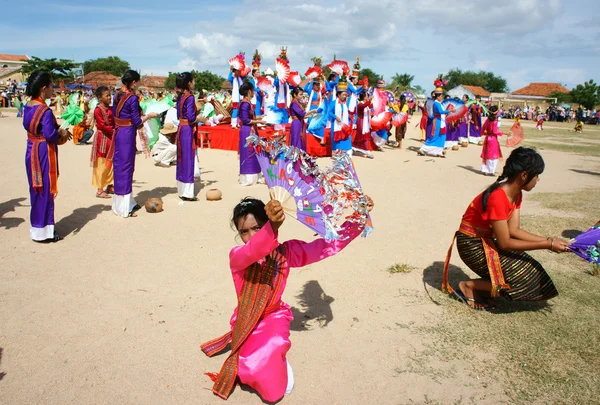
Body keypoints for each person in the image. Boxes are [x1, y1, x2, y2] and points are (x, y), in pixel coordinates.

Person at [201, 196, 373, 402]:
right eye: (243, 231)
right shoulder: (238, 255)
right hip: (246, 319)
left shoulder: (287, 252)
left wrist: (357, 218)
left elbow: (326, 246)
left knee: (271, 382)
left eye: (257, 228)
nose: (250, 236)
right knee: (247, 369)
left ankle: (276, 357)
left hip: (274, 316)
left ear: (266, 223)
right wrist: (272, 227)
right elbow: (253, 250)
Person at [443, 147, 568, 310]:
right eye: (537, 176)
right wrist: (547, 245)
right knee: (519, 278)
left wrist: (549, 241)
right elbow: (505, 243)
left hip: (486, 241)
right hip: (471, 244)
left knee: (533, 272)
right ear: (524, 175)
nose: (538, 180)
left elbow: (514, 230)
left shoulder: (516, 194)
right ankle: (469, 286)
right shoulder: (498, 197)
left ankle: (484, 288)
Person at [23, 71, 72, 242]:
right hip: (43, 152)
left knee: (36, 189)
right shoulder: (44, 110)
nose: (54, 90)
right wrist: (62, 132)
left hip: (31, 150)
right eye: (52, 86)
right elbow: (50, 135)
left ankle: (37, 227)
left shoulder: (28, 105)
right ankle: (44, 231)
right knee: (45, 188)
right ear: (44, 88)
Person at [108, 70, 157, 217]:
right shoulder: (132, 98)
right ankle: (124, 208)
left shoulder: (117, 95)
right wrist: (149, 116)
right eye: (138, 81)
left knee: (120, 166)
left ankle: (124, 203)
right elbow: (136, 121)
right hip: (127, 133)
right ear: (134, 82)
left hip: (118, 132)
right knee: (126, 167)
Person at [175, 72, 203, 201]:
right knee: (188, 158)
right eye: (193, 81)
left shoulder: (180, 97)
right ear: (189, 83)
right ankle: (187, 192)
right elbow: (191, 118)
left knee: (181, 158)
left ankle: (181, 189)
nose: (194, 83)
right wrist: (199, 117)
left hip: (181, 128)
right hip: (187, 130)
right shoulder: (190, 97)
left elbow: (179, 116)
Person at [91, 86, 115, 199]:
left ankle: (110, 185)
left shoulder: (110, 109)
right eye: (107, 95)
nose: (110, 97)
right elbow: (102, 125)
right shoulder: (98, 110)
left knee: (110, 162)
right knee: (101, 163)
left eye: (110, 95)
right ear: (100, 97)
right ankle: (100, 189)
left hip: (110, 138)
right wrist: (114, 130)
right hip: (102, 139)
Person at [238, 82, 263, 186]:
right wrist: (258, 122)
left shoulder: (247, 103)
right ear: (249, 91)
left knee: (254, 151)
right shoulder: (245, 104)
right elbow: (246, 120)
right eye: (252, 90)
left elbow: (250, 118)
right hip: (247, 130)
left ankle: (255, 175)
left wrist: (261, 117)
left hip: (251, 130)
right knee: (248, 153)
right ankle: (248, 178)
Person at [418, 87, 449, 157]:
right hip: (437, 121)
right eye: (441, 96)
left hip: (441, 121)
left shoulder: (439, 103)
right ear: (438, 97)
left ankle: (439, 151)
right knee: (434, 136)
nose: (441, 97)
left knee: (442, 136)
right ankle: (423, 148)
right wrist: (449, 111)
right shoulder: (436, 103)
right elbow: (440, 112)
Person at [329, 79, 352, 156]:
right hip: (336, 123)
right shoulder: (333, 103)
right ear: (338, 95)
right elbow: (329, 112)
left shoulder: (345, 104)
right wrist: (335, 117)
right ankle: (337, 152)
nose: (345, 96)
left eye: (346, 95)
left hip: (344, 123)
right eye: (343, 95)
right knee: (337, 138)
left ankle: (346, 151)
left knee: (346, 137)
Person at [480, 105, 504, 176]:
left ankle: (485, 169)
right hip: (493, 139)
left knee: (487, 154)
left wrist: (483, 133)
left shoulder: (487, 120)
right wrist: (503, 133)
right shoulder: (495, 121)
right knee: (493, 155)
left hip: (487, 138)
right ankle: (491, 171)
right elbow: (494, 131)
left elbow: (483, 128)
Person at [353, 92, 374, 158]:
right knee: (363, 136)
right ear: (364, 97)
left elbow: (371, 106)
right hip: (361, 121)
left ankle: (357, 148)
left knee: (362, 136)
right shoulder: (360, 104)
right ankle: (367, 151)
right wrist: (369, 100)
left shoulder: (365, 104)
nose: (368, 96)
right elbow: (364, 105)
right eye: (367, 96)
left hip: (365, 122)